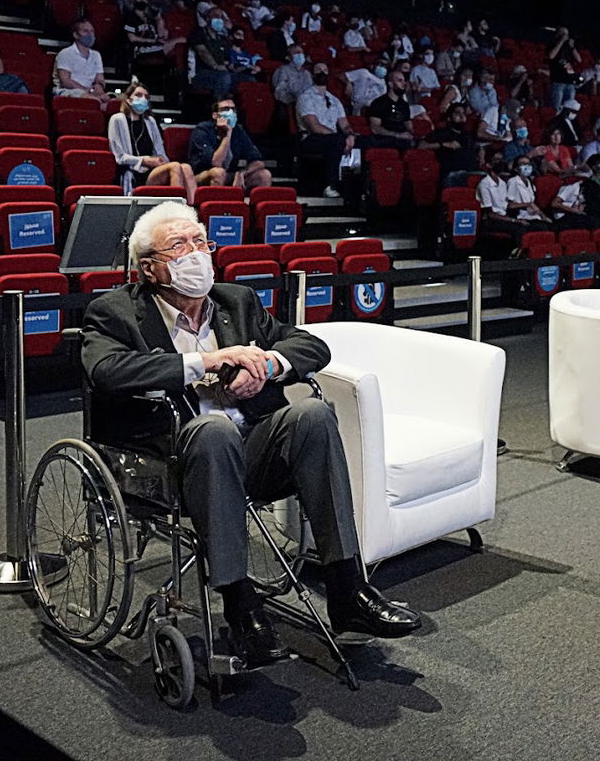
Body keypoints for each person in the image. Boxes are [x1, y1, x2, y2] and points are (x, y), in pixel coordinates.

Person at [82, 201, 422, 664]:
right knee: (214, 430)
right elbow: (106, 370)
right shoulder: (113, 311)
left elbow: (310, 345)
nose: (195, 254)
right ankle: (240, 604)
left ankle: (348, 590)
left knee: (313, 415)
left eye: (200, 242)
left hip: (253, 449)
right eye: (178, 246)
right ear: (148, 268)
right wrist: (205, 361)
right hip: (173, 463)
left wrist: (267, 365)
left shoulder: (236, 301)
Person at [108, 83, 197, 200]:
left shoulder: (150, 121)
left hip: (152, 170)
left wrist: (160, 160)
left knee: (186, 167)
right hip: (133, 171)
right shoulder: (117, 119)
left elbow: (160, 151)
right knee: (175, 166)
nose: (143, 99)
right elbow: (119, 157)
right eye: (138, 95)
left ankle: (193, 206)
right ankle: (177, 208)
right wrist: (144, 160)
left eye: (146, 97)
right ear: (128, 99)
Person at [296, 61, 357, 198]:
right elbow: (314, 126)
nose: (322, 72)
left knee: (361, 142)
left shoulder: (334, 100)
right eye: (318, 70)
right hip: (311, 139)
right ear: (313, 74)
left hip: (333, 138)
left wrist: (350, 135)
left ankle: (354, 188)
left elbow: (345, 124)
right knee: (336, 142)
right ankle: (330, 185)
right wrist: (340, 138)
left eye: (325, 70)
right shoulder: (305, 97)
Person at [188, 96, 272, 191]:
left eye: (233, 109)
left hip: (229, 174)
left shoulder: (238, 130)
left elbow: (258, 161)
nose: (230, 113)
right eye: (226, 109)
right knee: (218, 172)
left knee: (264, 175)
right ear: (215, 115)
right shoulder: (202, 130)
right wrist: (227, 134)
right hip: (202, 175)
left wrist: (242, 173)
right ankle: (214, 201)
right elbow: (216, 163)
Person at [420, 103, 482, 187]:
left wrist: (481, 152)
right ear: (449, 118)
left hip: (471, 172)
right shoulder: (442, 133)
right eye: (457, 113)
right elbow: (421, 145)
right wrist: (444, 144)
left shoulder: (467, 135)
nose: (462, 116)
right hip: (452, 175)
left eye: (464, 113)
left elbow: (478, 147)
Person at [53, 19, 112, 102]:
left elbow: (100, 78)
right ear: (76, 35)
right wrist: (86, 91)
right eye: (85, 31)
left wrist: (99, 86)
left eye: (92, 31)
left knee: (111, 101)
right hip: (68, 91)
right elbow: (65, 81)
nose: (90, 34)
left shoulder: (96, 55)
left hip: (89, 91)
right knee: (93, 100)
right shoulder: (65, 53)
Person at [189, 9, 237, 100]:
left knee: (247, 79)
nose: (219, 19)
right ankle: (219, 106)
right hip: (201, 73)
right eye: (216, 16)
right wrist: (215, 66)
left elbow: (226, 59)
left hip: (222, 72)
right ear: (208, 19)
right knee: (224, 78)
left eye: (221, 17)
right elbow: (202, 52)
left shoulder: (222, 39)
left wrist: (231, 66)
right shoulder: (198, 33)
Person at [270, 43, 311, 131]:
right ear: (288, 57)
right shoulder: (283, 70)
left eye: (301, 52)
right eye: (296, 53)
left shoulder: (307, 74)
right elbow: (279, 91)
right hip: (291, 102)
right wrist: (295, 99)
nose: (300, 55)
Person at [547, 26, 582, 110]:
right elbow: (551, 56)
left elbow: (579, 60)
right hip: (558, 82)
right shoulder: (553, 44)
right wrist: (561, 41)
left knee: (569, 108)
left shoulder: (569, 47)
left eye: (566, 34)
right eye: (563, 34)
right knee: (556, 108)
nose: (565, 36)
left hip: (569, 83)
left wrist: (572, 46)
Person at [506, 159, 551, 224]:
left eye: (528, 164)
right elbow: (510, 205)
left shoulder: (529, 181)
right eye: (523, 164)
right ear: (516, 169)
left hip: (534, 215)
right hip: (521, 216)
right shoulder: (513, 181)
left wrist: (543, 215)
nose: (527, 166)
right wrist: (528, 204)